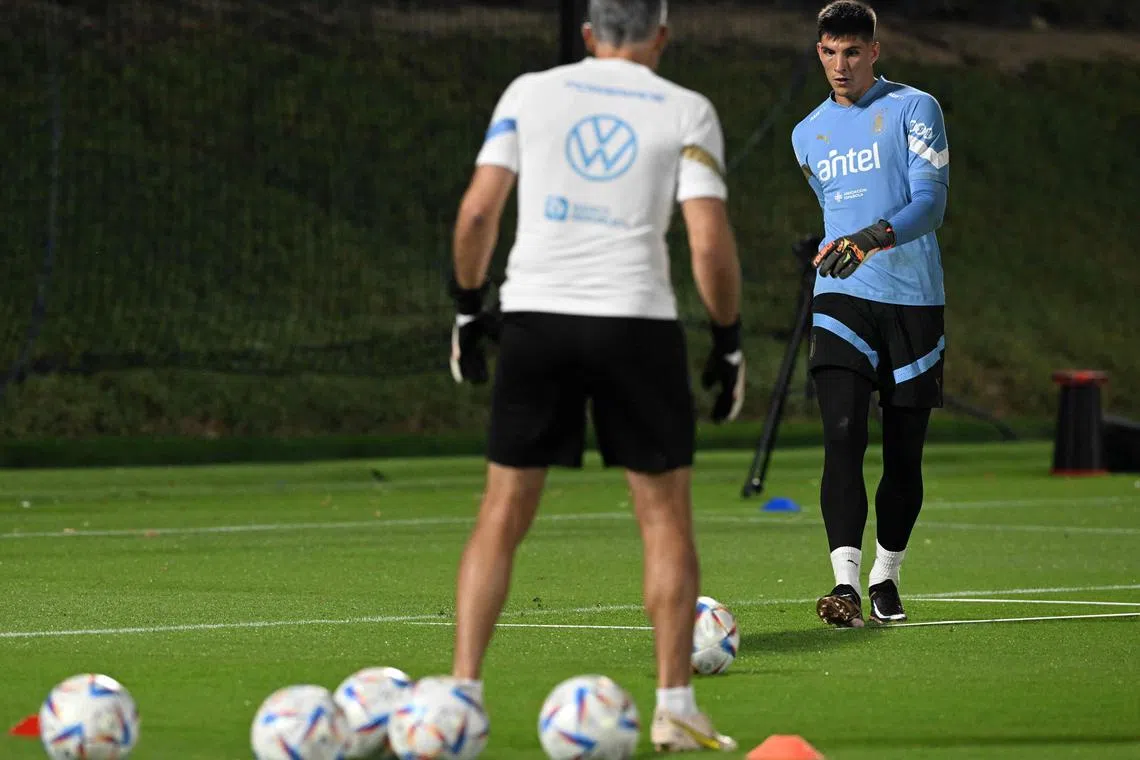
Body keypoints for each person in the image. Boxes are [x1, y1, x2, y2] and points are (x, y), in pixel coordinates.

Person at [447, 0, 743, 751]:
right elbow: (707, 242)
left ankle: (462, 699)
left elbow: (479, 213)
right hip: (637, 323)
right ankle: (675, 707)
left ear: (587, 35)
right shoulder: (688, 110)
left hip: (536, 318)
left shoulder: (528, 93)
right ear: (662, 37)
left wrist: (466, 309)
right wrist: (728, 338)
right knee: (664, 518)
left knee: (501, 513)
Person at [791, 0, 950, 627]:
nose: (840, 65)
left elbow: (930, 204)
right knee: (842, 434)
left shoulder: (916, 108)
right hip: (842, 299)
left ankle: (888, 575)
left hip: (914, 301)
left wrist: (871, 236)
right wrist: (844, 247)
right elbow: (832, 209)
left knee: (904, 451)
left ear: (874, 52)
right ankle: (846, 585)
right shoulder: (806, 134)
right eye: (829, 52)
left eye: (852, 52)